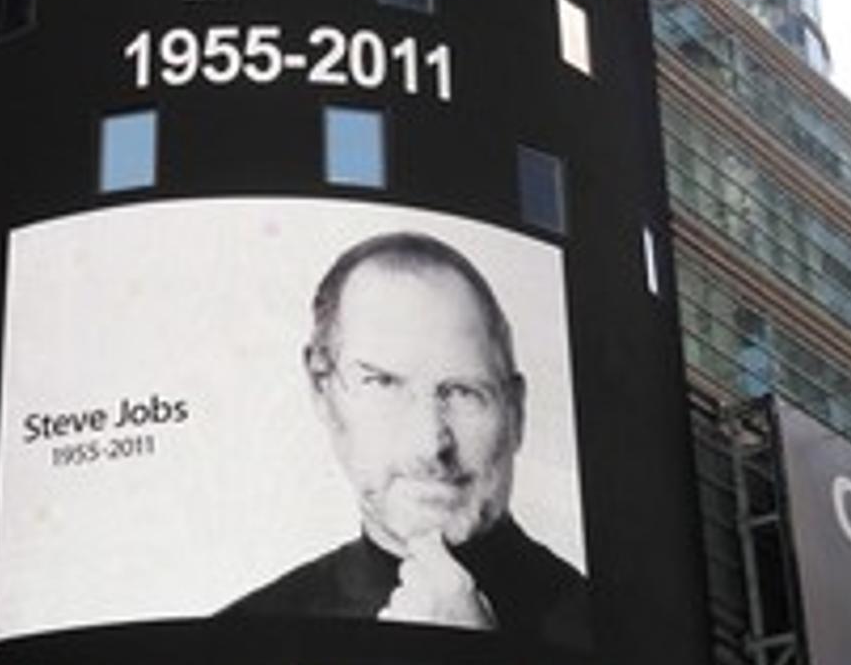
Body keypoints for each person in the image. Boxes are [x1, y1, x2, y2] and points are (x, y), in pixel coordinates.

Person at [225, 232, 590, 642]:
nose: (431, 446)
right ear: (321, 391)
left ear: (516, 411)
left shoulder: (621, 635)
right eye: (383, 383)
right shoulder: (236, 638)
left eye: (464, 392)